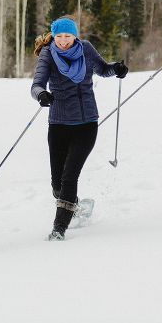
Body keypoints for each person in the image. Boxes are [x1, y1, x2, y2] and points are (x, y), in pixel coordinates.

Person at [31, 16, 128, 241]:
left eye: (68, 36)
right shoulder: (48, 54)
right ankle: (74, 208)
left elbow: (103, 69)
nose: (63, 41)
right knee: (57, 183)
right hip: (58, 124)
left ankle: (59, 228)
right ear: (53, 37)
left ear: (75, 35)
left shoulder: (85, 49)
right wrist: (42, 95)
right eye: (59, 36)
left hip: (86, 124)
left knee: (69, 176)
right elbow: (36, 85)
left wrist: (117, 69)